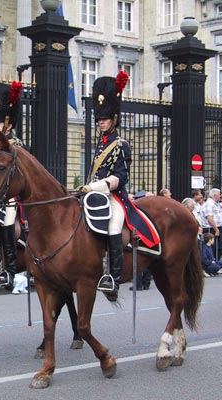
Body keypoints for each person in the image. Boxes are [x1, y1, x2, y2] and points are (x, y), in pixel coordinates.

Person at [78, 71, 130, 301]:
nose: (101, 122)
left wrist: (100, 185)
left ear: (114, 118)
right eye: (99, 119)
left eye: (105, 118)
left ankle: (114, 279)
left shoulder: (121, 145)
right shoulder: (101, 144)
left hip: (114, 196)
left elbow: (121, 176)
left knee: (114, 224)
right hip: (95, 194)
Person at [0, 81, 24, 289]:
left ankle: (9, 270)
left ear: (9, 125)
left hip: (11, 197)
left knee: (6, 221)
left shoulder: (15, 145)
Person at [201, 188, 222, 260]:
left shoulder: (217, 204)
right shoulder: (209, 204)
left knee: (220, 248)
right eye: (219, 194)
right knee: (212, 248)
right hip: (211, 229)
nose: (220, 196)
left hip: (219, 227)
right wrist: (216, 229)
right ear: (214, 195)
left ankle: (217, 264)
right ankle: (211, 265)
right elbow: (209, 218)